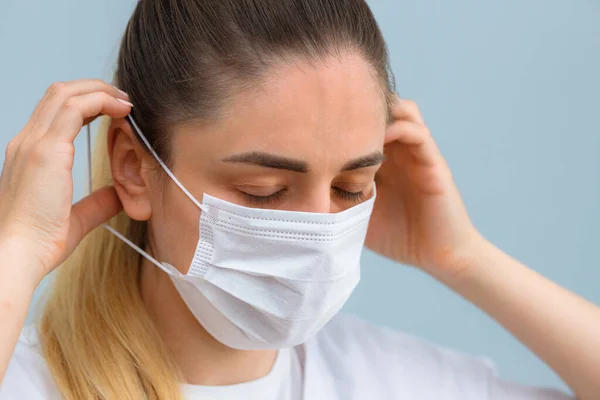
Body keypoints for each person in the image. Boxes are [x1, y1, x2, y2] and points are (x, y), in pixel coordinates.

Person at [0, 0, 598, 399]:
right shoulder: (28, 381)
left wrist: (464, 258)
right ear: (135, 167)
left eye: (350, 187)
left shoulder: (397, 381)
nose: (318, 232)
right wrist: (18, 252)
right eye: (264, 192)